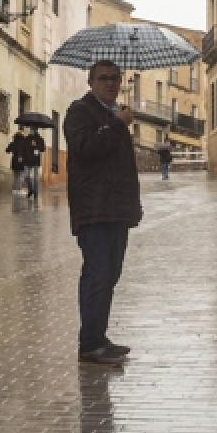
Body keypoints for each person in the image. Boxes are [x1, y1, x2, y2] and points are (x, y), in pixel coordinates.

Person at [64, 59, 142, 366]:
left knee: (110, 275)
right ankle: (90, 344)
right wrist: (117, 124)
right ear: (91, 82)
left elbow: (123, 168)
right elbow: (86, 148)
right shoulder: (79, 112)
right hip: (93, 209)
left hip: (115, 211)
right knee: (97, 274)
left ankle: (99, 337)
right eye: (104, 78)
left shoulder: (113, 115)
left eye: (115, 78)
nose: (110, 83)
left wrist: (132, 206)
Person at [24, 127, 46, 198]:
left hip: (35, 160)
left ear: (36, 130)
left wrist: (36, 145)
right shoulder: (26, 139)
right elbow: (23, 147)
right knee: (26, 176)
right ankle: (31, 190)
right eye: (31, 129)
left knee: (36, 178)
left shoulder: (40, 139)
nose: (31, 131)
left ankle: (36, 193)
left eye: (33, 130)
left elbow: (43, 149)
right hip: (27, 160)